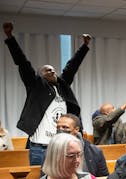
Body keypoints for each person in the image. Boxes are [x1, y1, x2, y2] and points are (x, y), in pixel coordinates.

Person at [3, 22, 91, 165]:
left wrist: (84, 46)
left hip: (60, 146)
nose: (52, 71)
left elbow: (72, 66)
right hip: (39, 147)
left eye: (53, 69)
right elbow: (22, 63)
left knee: (60, 178)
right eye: (47, 70)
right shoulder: (36, 85)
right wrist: (10, 37)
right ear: (40, 75)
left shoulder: (63, 86)